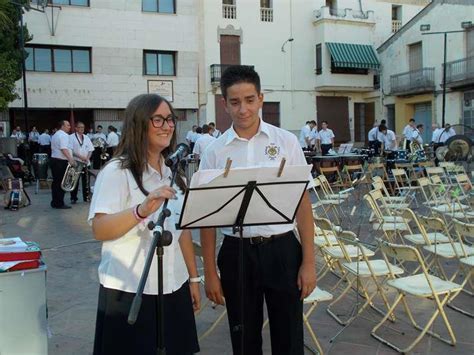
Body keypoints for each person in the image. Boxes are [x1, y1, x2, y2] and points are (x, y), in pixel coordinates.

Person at [199, 65, 316, 355]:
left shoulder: (286, 141)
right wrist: (211, 272)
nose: (243, 109)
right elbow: (206, 216)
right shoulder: (214, 151)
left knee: (289, 336)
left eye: (250, 100)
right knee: (243, 338)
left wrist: (309, 263)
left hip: (283, 250)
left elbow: (302, 205)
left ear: (261, 98)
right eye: (235, 102)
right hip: (236, 253)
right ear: (224, 103)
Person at [89, 94, 200, 355]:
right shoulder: (117, 172)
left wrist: (193, 279)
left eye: (170, 119)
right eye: (158, 119)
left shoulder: (172, 173)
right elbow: (100, 228)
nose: (167, 126)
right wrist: (140, 211)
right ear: (139, 123)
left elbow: (181, 231)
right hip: (130, 291)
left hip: (174, 286)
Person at [50, 120, 75, 209]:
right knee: (61, 183)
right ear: (62, 126)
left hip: (54, 160)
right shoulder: (64, 135)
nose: (69, 127)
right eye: (67, 125)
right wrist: (71, 159)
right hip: (60, 161)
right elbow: (64, 149)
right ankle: (59, 203)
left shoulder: (55, 134)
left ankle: (55, 202)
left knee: (56, 183)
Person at [69, 121, 94, 203]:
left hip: (86, 162)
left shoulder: (86, 137)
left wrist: (87, 158)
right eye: (79, 127)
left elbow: (90, 149)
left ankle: (86, 197)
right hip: (76, 161)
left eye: (83, 127)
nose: (81, 129)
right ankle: (73, 198)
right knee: (74, 180)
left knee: (86, 181)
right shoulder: (71, 137)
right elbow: (71, 150)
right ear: (76, 128)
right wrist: (81, 157)